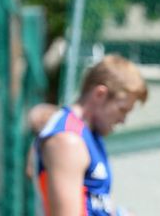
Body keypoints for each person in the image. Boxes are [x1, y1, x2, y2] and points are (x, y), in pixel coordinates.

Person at [36, 54, 148, 216]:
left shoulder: (89, 134)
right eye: (122, 110)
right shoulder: (67, 141)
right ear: (100, 95)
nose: (123, 120)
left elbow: (96, 203)